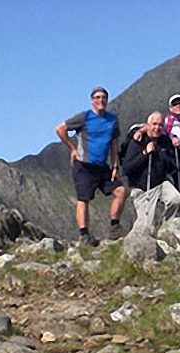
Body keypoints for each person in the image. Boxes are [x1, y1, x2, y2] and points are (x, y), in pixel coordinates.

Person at [55, 86, 126, 246]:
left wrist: (115, 166)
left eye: (103, 98)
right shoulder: (84, 117)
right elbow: (60, 129)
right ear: (92, 100)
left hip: (102, 166)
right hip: (84, 165)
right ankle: (84, 235)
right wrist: (72, 149)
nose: (101, 100)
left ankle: (114, 227)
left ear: (107, 100)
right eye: (97, 98)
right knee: (83, 199)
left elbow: (114, 144)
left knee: (121, 191)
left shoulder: (112, 120)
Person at [123, 112, 180, 232]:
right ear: (147, 125)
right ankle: (134, 241)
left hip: (160, 183)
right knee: (146, 228)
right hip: (142, 188)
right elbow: (127, 169)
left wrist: (163, 153)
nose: (157, 128)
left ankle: (167, 230)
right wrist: (144, 154)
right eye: (154, 124)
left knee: (175, 199)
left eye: (160, 125)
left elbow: (172, 166)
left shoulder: (165, 141)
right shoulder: (138, 141)